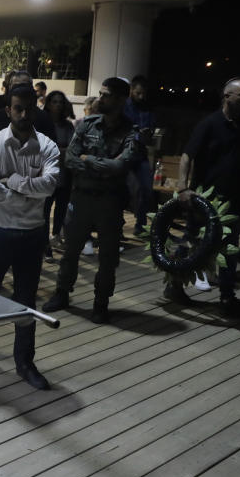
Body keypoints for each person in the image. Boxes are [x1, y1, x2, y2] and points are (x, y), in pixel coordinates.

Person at [0, 82, 60, 390]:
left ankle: (24, 361)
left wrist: (14, 180)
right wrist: (28, 189)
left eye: (29, 107)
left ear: (35, 109)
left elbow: (51, 185)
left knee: (25, 300)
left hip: (31, 235)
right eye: (18, 107)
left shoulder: (47, 146)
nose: (23, 113)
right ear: (8, 110)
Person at [43, 77, 142, 323]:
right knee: (70, 251)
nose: (101, 99)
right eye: (100, 94)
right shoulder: (87, 124)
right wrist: (99, 164)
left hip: (110, 202)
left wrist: (89, 161)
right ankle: (62, 293)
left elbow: (121, 165)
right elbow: (70, 159)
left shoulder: (131, 131)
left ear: (121, 100)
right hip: (82, 198)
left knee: (108, 257)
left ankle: (101, 302)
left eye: (106, 95)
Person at [163, 78, 240, 314]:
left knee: (229, 248)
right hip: (205, 199)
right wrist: (183, 188)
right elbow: (187, 156)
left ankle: (227, 296)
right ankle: (174, 284)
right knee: (192, 243)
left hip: (233, 200)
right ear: (227, 96)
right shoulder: (209, 124)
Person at [42, 90, 76, 254]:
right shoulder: (43, 123)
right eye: (54, 101)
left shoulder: (68, 125)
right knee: (44, 208)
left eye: (60, 102)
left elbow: (72, 149)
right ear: (48, 104)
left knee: (61, 208)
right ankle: (44, 243)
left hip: (65, 172)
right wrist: (60, 150)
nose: (57, 105)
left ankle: (55, 236)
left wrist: (57, 150)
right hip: (46, 172)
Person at [124, 75, 157, 235]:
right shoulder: (123, 106)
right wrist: (137, 135)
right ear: (131, 90)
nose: (141, 97)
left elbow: (151, 131)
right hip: (124, 154)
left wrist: (149, 135)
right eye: (138, 93)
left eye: (143, 93)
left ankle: (141, 225)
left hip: (140, 154)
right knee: (126, 189)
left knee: (146, 188)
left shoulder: (147, 108)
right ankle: (118, 224)